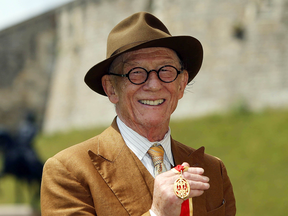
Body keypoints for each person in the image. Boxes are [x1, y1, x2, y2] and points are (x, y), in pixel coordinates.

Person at [40, 12, 236, 216]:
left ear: (182, 84)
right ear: (111, 89)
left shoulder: (213, 170)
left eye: (166, 70)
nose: (153, 84)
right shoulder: (68, 171)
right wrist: (157, 213)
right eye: (136, 72)